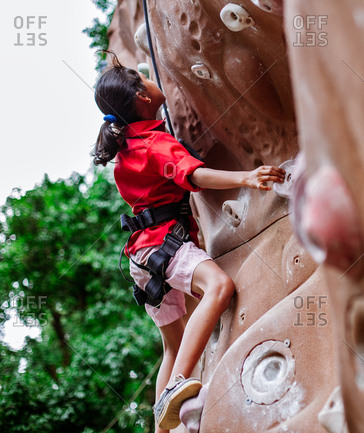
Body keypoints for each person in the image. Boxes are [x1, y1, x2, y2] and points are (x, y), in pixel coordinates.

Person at [92, 53, 285, 432]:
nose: (150, 77)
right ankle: (175, 388)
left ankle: (163, 427)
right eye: (141, 78)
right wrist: (247, 177)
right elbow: (194, 176)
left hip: (143, 260)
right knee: (219, 287)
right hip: (166, 247)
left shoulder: (128, 147)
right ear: (142, 98)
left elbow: (141, 100)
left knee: (173, 344)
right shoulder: (154, 144)